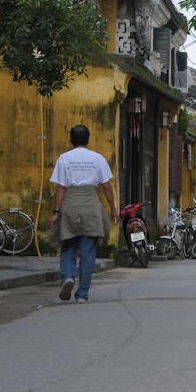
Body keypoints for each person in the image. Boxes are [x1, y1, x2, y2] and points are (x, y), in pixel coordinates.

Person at [49, 124, 117, 303]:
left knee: (67, 246)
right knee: (88, 251)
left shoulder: (64, 158)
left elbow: (60, 187)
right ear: (88, 139)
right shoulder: (98, 159)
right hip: (91, 205)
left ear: (71, 140)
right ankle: (82, 294)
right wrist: (113, 208)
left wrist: (56, 212)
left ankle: (68, 276)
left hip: (70, 204)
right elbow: (106, 186)